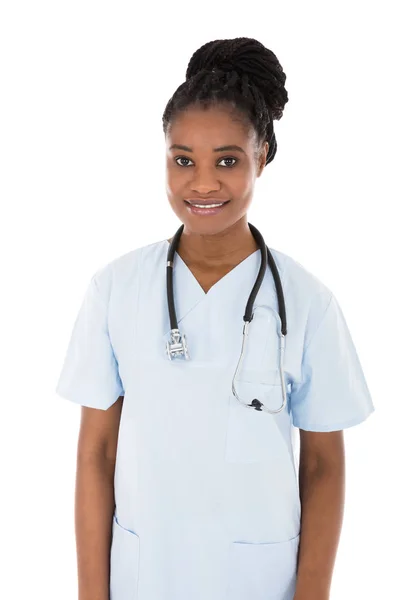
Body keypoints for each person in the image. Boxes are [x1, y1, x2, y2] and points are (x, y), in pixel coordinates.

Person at [55, 37, 375, 600]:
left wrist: (314, 594)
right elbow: (96, 452)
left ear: (263, 155)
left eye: (227, 160)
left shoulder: (308, 301)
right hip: (144, 572)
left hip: (261, 579)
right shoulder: (115, 288)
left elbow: (323, 466)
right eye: (184, 160)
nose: (202, 184)